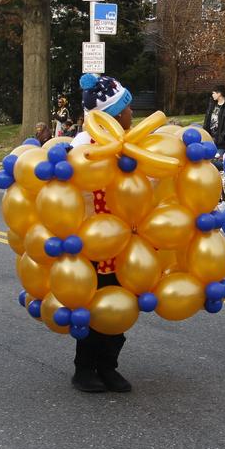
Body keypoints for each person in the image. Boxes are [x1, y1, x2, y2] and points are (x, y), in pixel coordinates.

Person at [70, 72, 135, 392]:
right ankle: (84, 369)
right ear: (112, 115)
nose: (131, 114)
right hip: (92, 245)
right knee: (94, 307)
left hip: (124, 243)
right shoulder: (84, 151)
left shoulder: (130, 147)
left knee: (121, 303)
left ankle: (109, 366)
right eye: (126, 109)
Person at [202, 84, 225, 153]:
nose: (212, 95)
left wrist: (220, 137)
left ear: (219, 93)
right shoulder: (212, 105)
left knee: (217, 161)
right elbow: (207, 121)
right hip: (209, 140)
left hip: (221, 144)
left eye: (213, 93)